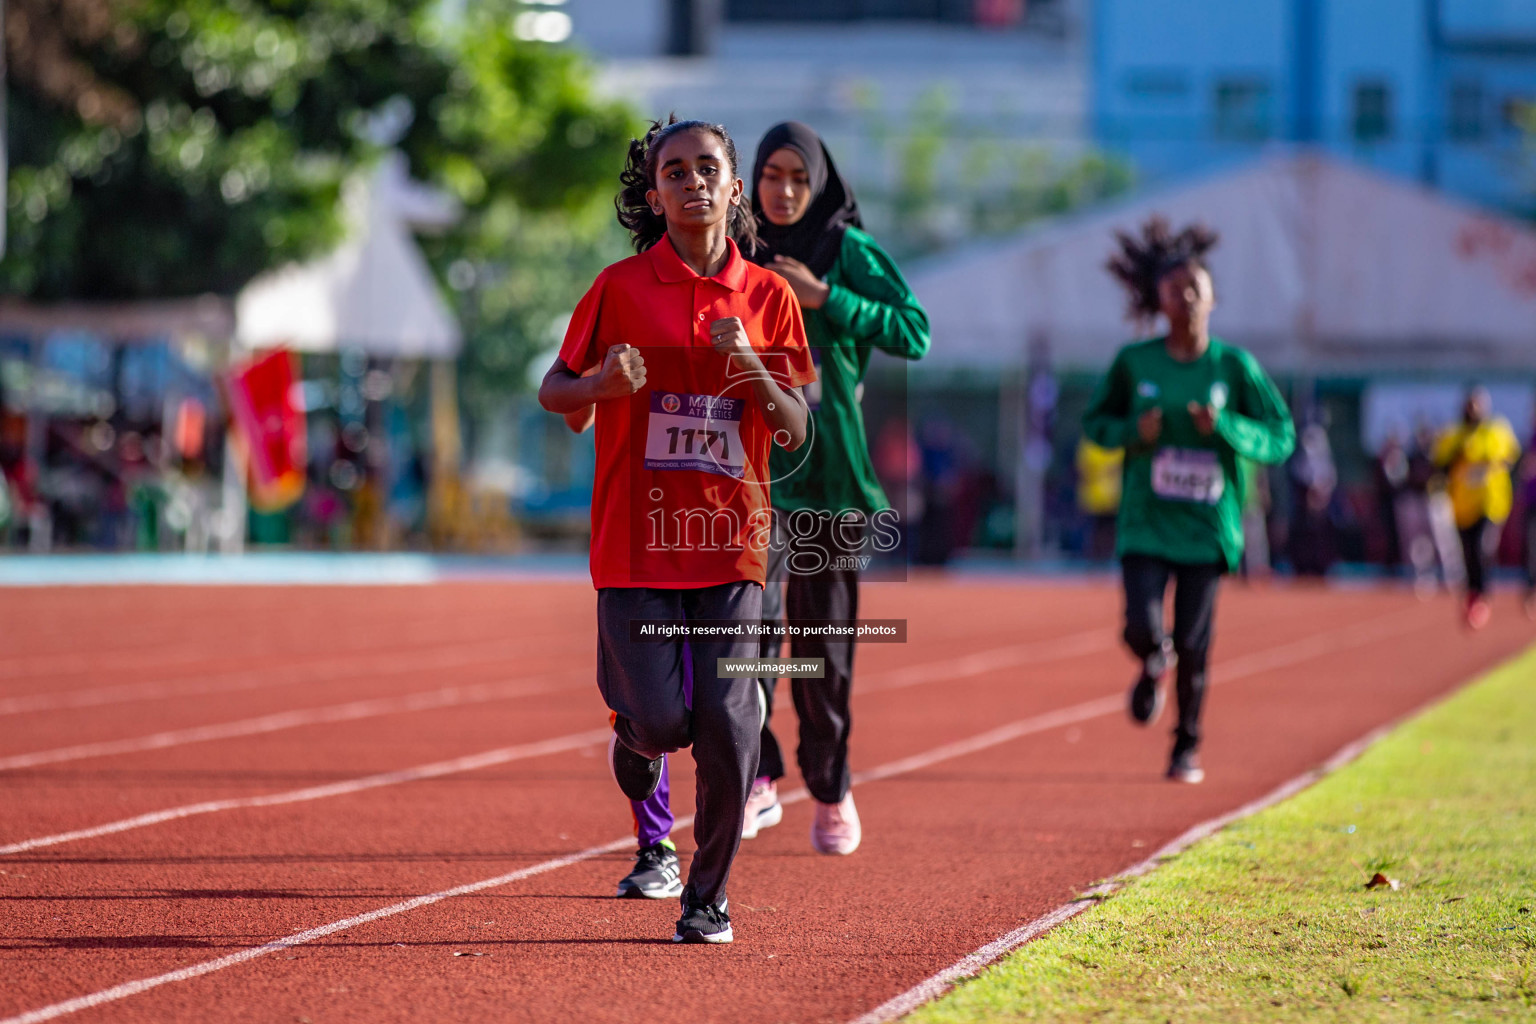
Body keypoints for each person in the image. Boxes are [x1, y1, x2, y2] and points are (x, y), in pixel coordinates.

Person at [611, 121, 931, 861]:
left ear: (819, 183)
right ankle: (761, 775)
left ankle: (830, 784)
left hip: (833, 483)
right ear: (747, 181)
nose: (782, 192)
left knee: (823, 652)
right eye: (770, 176)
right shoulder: (734, 249)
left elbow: (914, 331)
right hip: (753, 480)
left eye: (797, 178)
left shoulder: (851, 253)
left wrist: (832, 300)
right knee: (749, 639)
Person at [537, 116, 816, 943]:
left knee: (732, 731)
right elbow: (555, 389)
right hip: (635, 548)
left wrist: (755, 365)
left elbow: (797, 426)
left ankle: (708, 899)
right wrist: (596, 381)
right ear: (653, 194)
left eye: (708, 169)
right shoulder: (618, 288)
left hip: (732, 549)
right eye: (675, 172)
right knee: (662, 724)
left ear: (736, 188)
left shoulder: (767, 297)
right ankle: (632, 737)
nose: (693, 183)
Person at [1083, 217, 1295, 784]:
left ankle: (1186, 749)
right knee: (1139, 627)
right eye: (1174, 288)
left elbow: (1280, 434)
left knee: (1197, 645)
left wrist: (1227, 429)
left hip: (1208, 526)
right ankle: (1153, 659)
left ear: (1213, 298)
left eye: (1196, 287)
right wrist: (1135, 432)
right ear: (1158, 299)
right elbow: (1096, 424)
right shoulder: (1135, 362)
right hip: (1147, 522)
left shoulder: (1234, 366)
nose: (1186, 296)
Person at [1431, 386, 1522, 630]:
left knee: (1482, 547)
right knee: (1468, 553)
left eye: (1478, 405)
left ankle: (1482, 597)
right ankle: (1471, 594)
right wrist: (1457, 459)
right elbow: (1439, 465)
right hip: (1461, 506)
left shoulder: (1497, 430)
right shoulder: (1454, 435)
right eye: (1470, 405)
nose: (1474, 410)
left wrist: (1492, 463)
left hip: (1490, 504)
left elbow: (1513, 457)